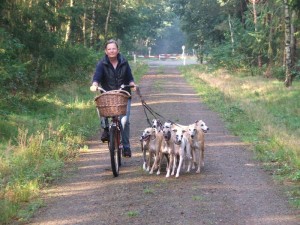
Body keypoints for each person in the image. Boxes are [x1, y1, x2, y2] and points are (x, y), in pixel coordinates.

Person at [90, 39, 136, 157]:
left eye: (114, 48)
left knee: (124, 121)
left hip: (123, 95)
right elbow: (97, 77)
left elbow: (129, 77)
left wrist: (132, 84)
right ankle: (106, 130)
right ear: (106, 51)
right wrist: (95, 84)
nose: (111, 51)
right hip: (108, 95)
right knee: (101, 110)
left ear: (118, 50)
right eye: (109, 49)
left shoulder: (124, 62)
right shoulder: (102, 64)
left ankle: (126, 146)